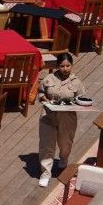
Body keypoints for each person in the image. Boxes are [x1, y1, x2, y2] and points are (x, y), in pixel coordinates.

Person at [35, 53, 87, 190]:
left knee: (65, 144)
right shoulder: (49, 78)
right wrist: (46, 100)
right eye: (62, 66)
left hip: (67, 117)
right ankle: (45, 174)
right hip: (48, 115)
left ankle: (64, 160)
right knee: (46, 145)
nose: (65, 68)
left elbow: (82, 98)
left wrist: (77, 104)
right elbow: (40, 93)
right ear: (58, 66)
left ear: (72, 65)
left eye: (68, 65)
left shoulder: (76, 82)